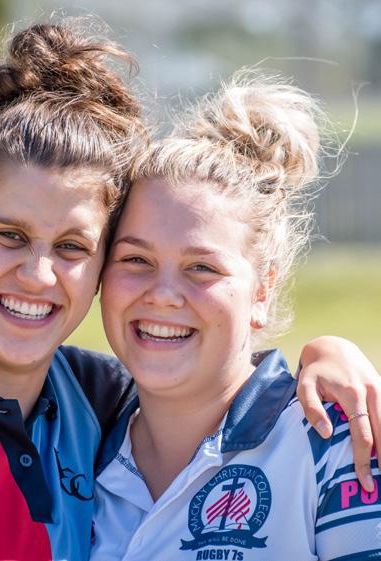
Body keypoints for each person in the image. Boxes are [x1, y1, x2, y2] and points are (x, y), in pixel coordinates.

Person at [0, 21, 378, 561]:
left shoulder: (93, 400)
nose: (38, 275)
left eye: (72, 246)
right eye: (9, 236)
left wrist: (329, 355)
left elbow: (217, 377)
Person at [91, 70, 381, 561]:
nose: (163, 295)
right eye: (136, 259)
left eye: (201, 267)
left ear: (262, 291)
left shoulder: (335, 440)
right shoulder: (72, 442)